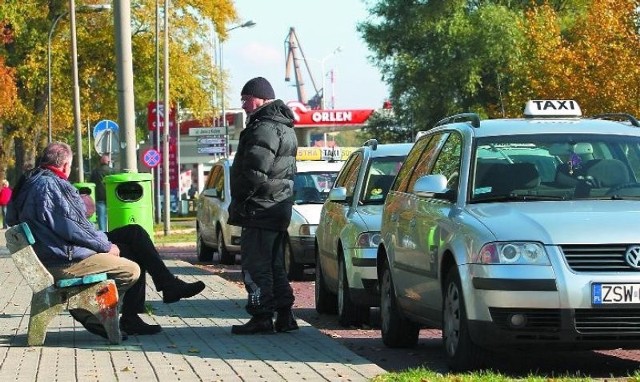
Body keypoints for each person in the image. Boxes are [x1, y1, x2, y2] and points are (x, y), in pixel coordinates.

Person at [6, 142, 205, 339]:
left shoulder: (31, 181)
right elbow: (74, 228)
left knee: (134, 234)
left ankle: (157, 294)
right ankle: (146, 300)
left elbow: (62, 222)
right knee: (131, 254)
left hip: (56, 247)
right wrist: (105, 245)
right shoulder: (51, 185)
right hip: (64, 254)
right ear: (65, 165)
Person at [227, 76, 299, 335]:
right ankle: (285, 316)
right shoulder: (284, 126)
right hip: (277, 207)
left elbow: (255, 172)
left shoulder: (264, 128)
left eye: (246, 99)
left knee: (256, 264)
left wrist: (241, 200)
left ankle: (261, 317)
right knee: (275, 264)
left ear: (261, 98)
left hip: (259, 207)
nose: (244, 105)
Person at [90, 154, 113, 231]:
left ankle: (103, 234)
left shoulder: (95, 171)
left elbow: (91, 183)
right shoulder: (112, 171)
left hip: (99, 197)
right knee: (111, 215)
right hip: (111, 196)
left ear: (100, 161)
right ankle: (112, 231)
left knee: (101, 216)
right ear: (108, 161)